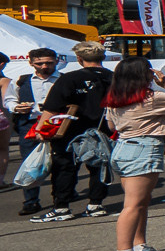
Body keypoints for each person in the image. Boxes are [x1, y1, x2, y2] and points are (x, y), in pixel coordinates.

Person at [100, 55, 165, 251]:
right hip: (144, 148)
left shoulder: (115, 98)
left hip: (123, 148)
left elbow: (112, 127)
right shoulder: (153, 97)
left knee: (140, 202)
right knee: (133, 205)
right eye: (149, 70)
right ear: (144, 74)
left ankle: (139, 246)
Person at [35, 44, 115, 222]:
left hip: (70, 130)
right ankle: (96, 204)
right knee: (99, 165)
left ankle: (62, 207)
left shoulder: (70, 78)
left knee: (65, 167)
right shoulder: (114, 78)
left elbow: (52, 107)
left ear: (79, 59)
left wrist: (41, 129)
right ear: (102, 57)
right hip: (103, 128)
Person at [12, 45, 62, 218]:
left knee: (61, 161)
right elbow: (10, 100)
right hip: (29, 123)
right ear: (31, 62)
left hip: (57, 123)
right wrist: (16, 107)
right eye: (39, 63)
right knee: (30, 163)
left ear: (56, 61)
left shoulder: (63, 79)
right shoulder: (22, 80)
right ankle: (31, 201)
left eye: (48, 63)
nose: (44, 67)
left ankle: (61, 197)